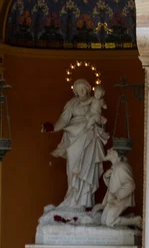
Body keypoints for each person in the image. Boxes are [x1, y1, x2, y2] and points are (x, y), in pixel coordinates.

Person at [50, 79, 108, 208]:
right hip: (73, 137)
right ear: (75, 90)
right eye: (79, 88)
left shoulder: (94, 100)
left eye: (84, 87)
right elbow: (64, 119)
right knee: (73, 169)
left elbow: (99, 116)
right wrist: (53, 127)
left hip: (89, 137)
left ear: (88, 88)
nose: (82, 90)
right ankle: (73, 197)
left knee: (87, 168)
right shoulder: (71, 103)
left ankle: (85, 201)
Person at [94, 148, 141, 228]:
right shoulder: (115, 167)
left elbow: (131, 184)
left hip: (120, 200)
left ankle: (135, 221)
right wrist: (106, 177)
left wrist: (118, 195)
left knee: (109, 221)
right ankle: (129, 217)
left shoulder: (122, 167)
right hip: (112, 200)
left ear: (115, 154)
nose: (108, 151)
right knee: (103, 221)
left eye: (110, 150)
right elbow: (112, 186)